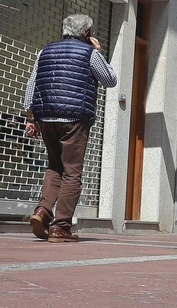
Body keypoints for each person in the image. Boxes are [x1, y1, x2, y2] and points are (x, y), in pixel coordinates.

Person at [24, 13, 117, 241]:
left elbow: (32, 84)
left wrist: (30, 117)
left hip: (46, 117)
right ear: (86, 33)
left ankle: (42, 210)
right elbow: (110, 80)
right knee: (72, 172)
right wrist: (99, 53)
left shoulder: (44, 51)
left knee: (54, 166)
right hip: (74, 118)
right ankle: (60, 226)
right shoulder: (90, 53)